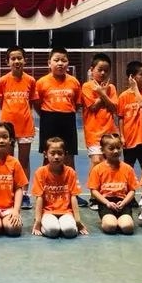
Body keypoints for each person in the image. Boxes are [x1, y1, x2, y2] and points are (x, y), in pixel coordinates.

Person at [34, 47, 86, 206]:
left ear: (68, 63)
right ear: (49, 63)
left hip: (68, 120)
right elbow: (37, 103)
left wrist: (65, 113)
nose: (60, 63)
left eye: (64, 60)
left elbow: (77, 103)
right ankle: (44, 191)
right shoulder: (41, 82)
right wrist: (47, 115)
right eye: (56, 60)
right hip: (48, 119)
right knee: (47, 156)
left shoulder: (74, 82)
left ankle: (72, 192)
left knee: (69, 157)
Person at [0, 46, 38, 208]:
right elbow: (1, 102)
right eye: (13, 58)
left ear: (25, 60)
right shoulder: (3, 81)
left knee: (23, 161)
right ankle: (9, 192)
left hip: (26, 126)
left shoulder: (31, 80)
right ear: (7, 62)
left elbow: (31, 102)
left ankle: (24, 193)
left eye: (19, 58)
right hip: (7, 128)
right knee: (7, 161)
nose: (16, 61)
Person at [31, 137, 87, 239]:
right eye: (52, 153)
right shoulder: (40, 172)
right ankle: (48, 224)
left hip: (66, 212)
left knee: (70, 231)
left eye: (60, 153)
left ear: (65, 154)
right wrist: (38, 221)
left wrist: (78, 221)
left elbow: (73, 197)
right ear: (45, 154)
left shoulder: (70, 172)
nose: (56, 157)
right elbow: (39, 197)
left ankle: (63, 225)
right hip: (47, 212)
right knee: (52, 231)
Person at [87, 133, 138, 235]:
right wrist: (107, 203)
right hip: (106, 203)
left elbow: (132, 190)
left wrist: (124, 202)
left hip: (123, 202)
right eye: (111, 148)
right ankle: (109, 220)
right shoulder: (97, 169)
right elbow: (94, 190)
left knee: (127, 227)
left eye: (118, 148)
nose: (115, 151)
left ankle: (121, 220)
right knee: (110, 226)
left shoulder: (128, 168)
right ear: (102, 150)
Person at [80, 53, 118, 167]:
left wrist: (102, 93)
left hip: (110, 132)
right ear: (92, 70)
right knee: (96, 161)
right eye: (100, 69)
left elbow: (114, 108)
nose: (103, 73)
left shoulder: (111, 88)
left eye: (106, 71)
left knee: (109, 164)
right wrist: (103, 94)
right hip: (93, 133)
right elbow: (93, 107)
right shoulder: (87, 86)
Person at [117, 61, 142, 175]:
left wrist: (135, 88)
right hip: (129, 138)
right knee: (128, 168)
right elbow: (121, 118)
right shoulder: (123, 96)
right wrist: (122, 136)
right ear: (132, 77)